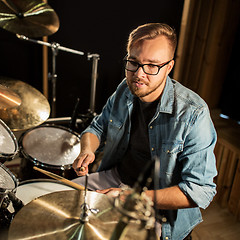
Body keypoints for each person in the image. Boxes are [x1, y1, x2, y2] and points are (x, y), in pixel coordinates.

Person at [72, 23, 217, 240]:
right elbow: (98, 127)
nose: (139, 74)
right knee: (57, 201)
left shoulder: (194, 114)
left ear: (169, 67)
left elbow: (200, 190)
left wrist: (133, 197)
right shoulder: (125, 88)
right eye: (134, 62)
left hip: (158, 206)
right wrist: (87, 149)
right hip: (116, 179)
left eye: (152, 65)